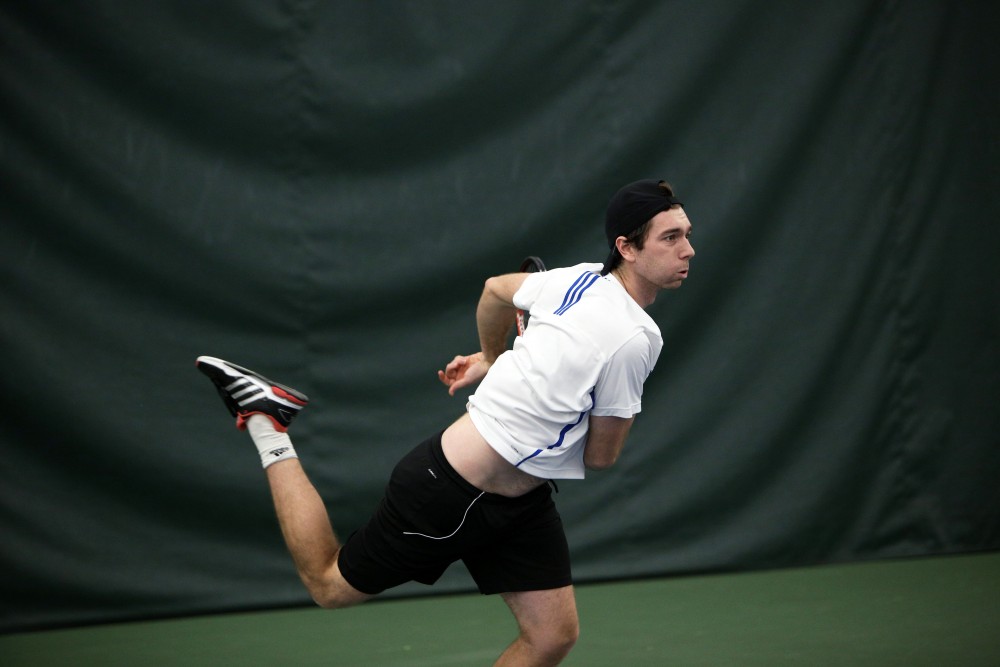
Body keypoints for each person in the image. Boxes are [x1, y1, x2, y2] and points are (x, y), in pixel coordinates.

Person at [196, 179, 694, 666]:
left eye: (687, 234)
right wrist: (515, 369)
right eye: (670, 238)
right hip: (448, 491)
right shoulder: (635, 339)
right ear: (626, 247)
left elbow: (496, 291)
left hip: (520, 500)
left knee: (551, 637)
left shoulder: (579, 278)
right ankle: (267, 420)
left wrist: (497, 359)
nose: (687, 249)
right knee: (329, 586)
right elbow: (601, 456)